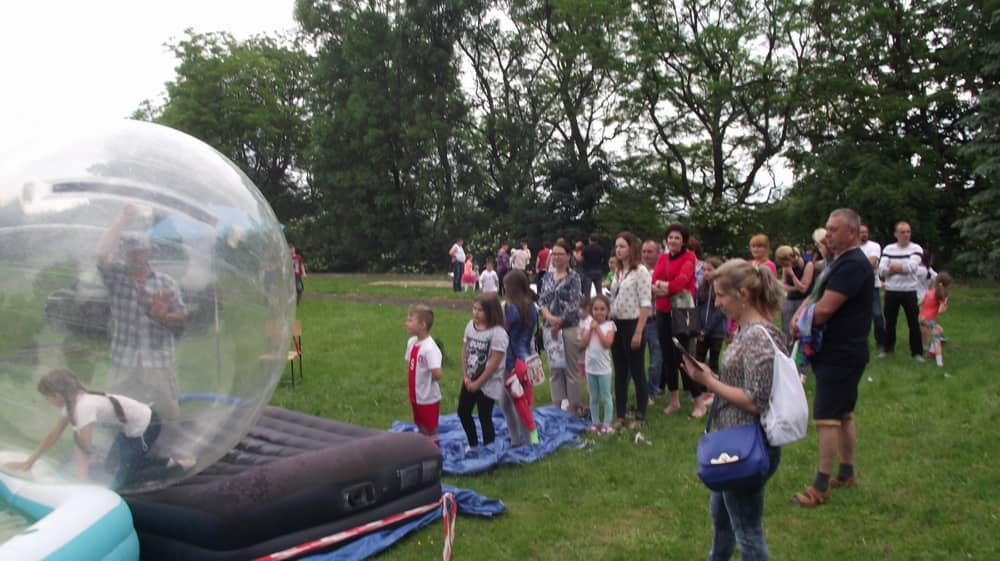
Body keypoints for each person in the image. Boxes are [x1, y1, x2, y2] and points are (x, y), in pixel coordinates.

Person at [681, 259, 786, 561]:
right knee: (722, 517)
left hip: (748, 446)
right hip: (735, 441)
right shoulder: (746, 331)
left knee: (748, 532)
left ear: (743, 294)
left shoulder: (756, 336)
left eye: (722, 296)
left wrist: (708, 383)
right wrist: (711, 377)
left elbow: (756, 400)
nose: (718, 304)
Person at [790, 208, 873, 507]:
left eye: (834, 229)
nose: (827, 234)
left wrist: (800, 320)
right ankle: (847, 473)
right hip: (844, 351)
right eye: (826, 228)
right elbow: (818, 299)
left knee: (826, 418)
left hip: (840, 353)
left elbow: (825, 310)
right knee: (843, 414)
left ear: (852, 232)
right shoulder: (841, 262)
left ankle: (820, 487)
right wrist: (804, 310)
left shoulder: (852, 265)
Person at [3, 369, 192, 489]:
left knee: (127, 479)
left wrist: (80, 479)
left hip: (145, 426)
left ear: (57, 395)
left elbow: (85, 447)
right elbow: (54, 434)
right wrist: (29, 461)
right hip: (129, 428)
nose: (47, 402)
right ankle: (167, 461)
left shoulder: (82, 406)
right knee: (113, 465)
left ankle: (180, 467)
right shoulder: (72, 402)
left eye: (47, 398)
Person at [96, 204, 185, 421]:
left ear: (149, 252)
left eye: (140, 251)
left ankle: (175, 450)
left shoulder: (166, 282)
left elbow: (182, 319)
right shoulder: (116, 277)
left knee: (168, 409)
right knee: (118, 410)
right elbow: (100, 254)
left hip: (158, 359)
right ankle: (123, 450)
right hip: (124, 359)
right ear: (124, 253)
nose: (135, 256)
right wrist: (121, 220)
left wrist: (164, 316)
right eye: (130, 252)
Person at [651, 223, 705, 417]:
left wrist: (664, 287)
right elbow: (654, 280)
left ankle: (699, 402)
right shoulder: (663, 258)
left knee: (683, 357)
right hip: (663, 311)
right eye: (670, 237)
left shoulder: (690, 257)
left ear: (683, 241)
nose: (673, 241)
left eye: (677, 238)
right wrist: (665, 287)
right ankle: (674, 401)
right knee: (667, 357)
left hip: (682, 313)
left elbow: (682, 281)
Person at [609, 231, 652, 429]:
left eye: (622, 246)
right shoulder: (618, 272)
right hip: (617, 324)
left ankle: (641, 414)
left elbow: (645, 303)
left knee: (637, 371)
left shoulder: (641, 271)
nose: (618, 250)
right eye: (617, 246)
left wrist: (638, 331)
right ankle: (620, 413)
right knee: (619, 371)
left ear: (631, 248)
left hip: (633, 323)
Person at [458, 294, 509, 453]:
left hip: (488, 382)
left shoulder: (498, 333)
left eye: (480, 310)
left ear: (491, 311)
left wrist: (478, 383)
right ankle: (473, 444)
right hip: (470, 379)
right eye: (474, 308)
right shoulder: (470, 326)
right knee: (463, 412)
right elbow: (464, 351)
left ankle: (489, 449)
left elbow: (494, 363)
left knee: (484, 416)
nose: (476, 313)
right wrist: (466, 376)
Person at [538, 239, 583, 415]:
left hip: (569, 328)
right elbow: (541, 300)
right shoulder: (547, 277)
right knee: (555, 368)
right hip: (549, 329)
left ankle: (572, 407)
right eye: (554, 254)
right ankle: (556, 406)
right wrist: (549, 317)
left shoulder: (574, 278)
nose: (556, 257)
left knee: (571, 369)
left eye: (560, 254)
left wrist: (560, 322)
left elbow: (574, 303)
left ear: (568, 256)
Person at [501, 270, 540, 446]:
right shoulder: (532, 307)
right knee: (518, 401)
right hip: (527, 358)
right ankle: (521, 438)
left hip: (511, 361)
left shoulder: (510, 309)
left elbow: (503, 333)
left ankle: (524, 439)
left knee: (514, 402)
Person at [877, 221, 924, 360]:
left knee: (913, 323)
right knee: (890, 322)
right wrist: (900, 268)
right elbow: (881, 270)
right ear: (896, 234)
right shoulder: (888, 249)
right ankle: (887, 349)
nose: (906, 235)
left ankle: (917, 353)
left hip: (909, 291)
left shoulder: (916, 248)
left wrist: (893, 268)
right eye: (902, 232)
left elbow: (912, 267)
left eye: (908, 232)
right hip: (891, 290)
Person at [404, 304, 443, 447]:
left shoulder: (430, 348)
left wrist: (432, 370)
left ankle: (434, 451)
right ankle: (423, 448)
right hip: (416, 395)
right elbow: (412, 364)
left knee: (430, 428)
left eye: (410, 320)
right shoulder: (412, 343)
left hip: (428, 398)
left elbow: (437, 374)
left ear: (422, 325)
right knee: (419, 424)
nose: (406, 323)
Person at [579, 294, 616, 433]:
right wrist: (590, 328)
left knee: (606, 397)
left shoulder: (610, 326)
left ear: (607, 311)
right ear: (591, 310)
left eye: (602, 309)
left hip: (604, 370)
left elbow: (607, 344)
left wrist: (598, 329)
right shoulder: (588, 324)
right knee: (593, 397)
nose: (599, 312)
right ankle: (595, 422)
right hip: (590, 369)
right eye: (595, 309)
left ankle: (607, 423)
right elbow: (582, 343)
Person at [776, 245, 815, 345]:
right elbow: (783, 285)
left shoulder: (808, 265)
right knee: (786, 328)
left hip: (804, 300)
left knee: (800, 329)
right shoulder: (786, 267)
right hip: (790, 300)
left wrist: (792, 275)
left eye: (785, 262)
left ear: (792, 258)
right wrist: (796, 287)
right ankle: (788, 352)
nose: (784, 265)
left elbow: (803, 289)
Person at [695, 257, 726, 376]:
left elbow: (720, 313)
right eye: (704, 270)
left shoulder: (722, 288)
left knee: (713, 361)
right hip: (702, 332)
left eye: (709, 269)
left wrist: (706, 329)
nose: (706, 272)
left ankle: (715, 389)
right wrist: (698, 328)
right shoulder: (701, 288)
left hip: (716, 332)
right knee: (699, 359)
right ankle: (701, 388)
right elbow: (697, 309)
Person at [859, 224, 887, 354]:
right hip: (855, 286)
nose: (864, 234)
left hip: (872, 285)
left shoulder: (874, 246)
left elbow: (872, 263)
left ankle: (881, 342)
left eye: (866, 232)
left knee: (877, 315)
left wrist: (855, 266)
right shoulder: (852, 247)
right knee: (858, 316)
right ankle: (860, 342)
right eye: (861, 232)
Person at [641, 240, 663, 400]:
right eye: (644, 251)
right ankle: (641, 390)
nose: (646, 255)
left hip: (656, 320)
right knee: (636, 359)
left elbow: (663, 292)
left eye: (650, 252)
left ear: (658, 253)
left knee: (656, 359)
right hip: (638, 321)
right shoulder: (637, 271)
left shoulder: (661, 271)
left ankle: (652, 390)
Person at [920, 272, 952, 368]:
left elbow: (920, 302)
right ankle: (939, 362)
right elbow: (940, 311)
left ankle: (931, 352)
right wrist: (945, 304)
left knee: (940, 329)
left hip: (921, 318)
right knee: (937, 338)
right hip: (929, 320)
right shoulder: (940, 296)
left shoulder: (929, 292)